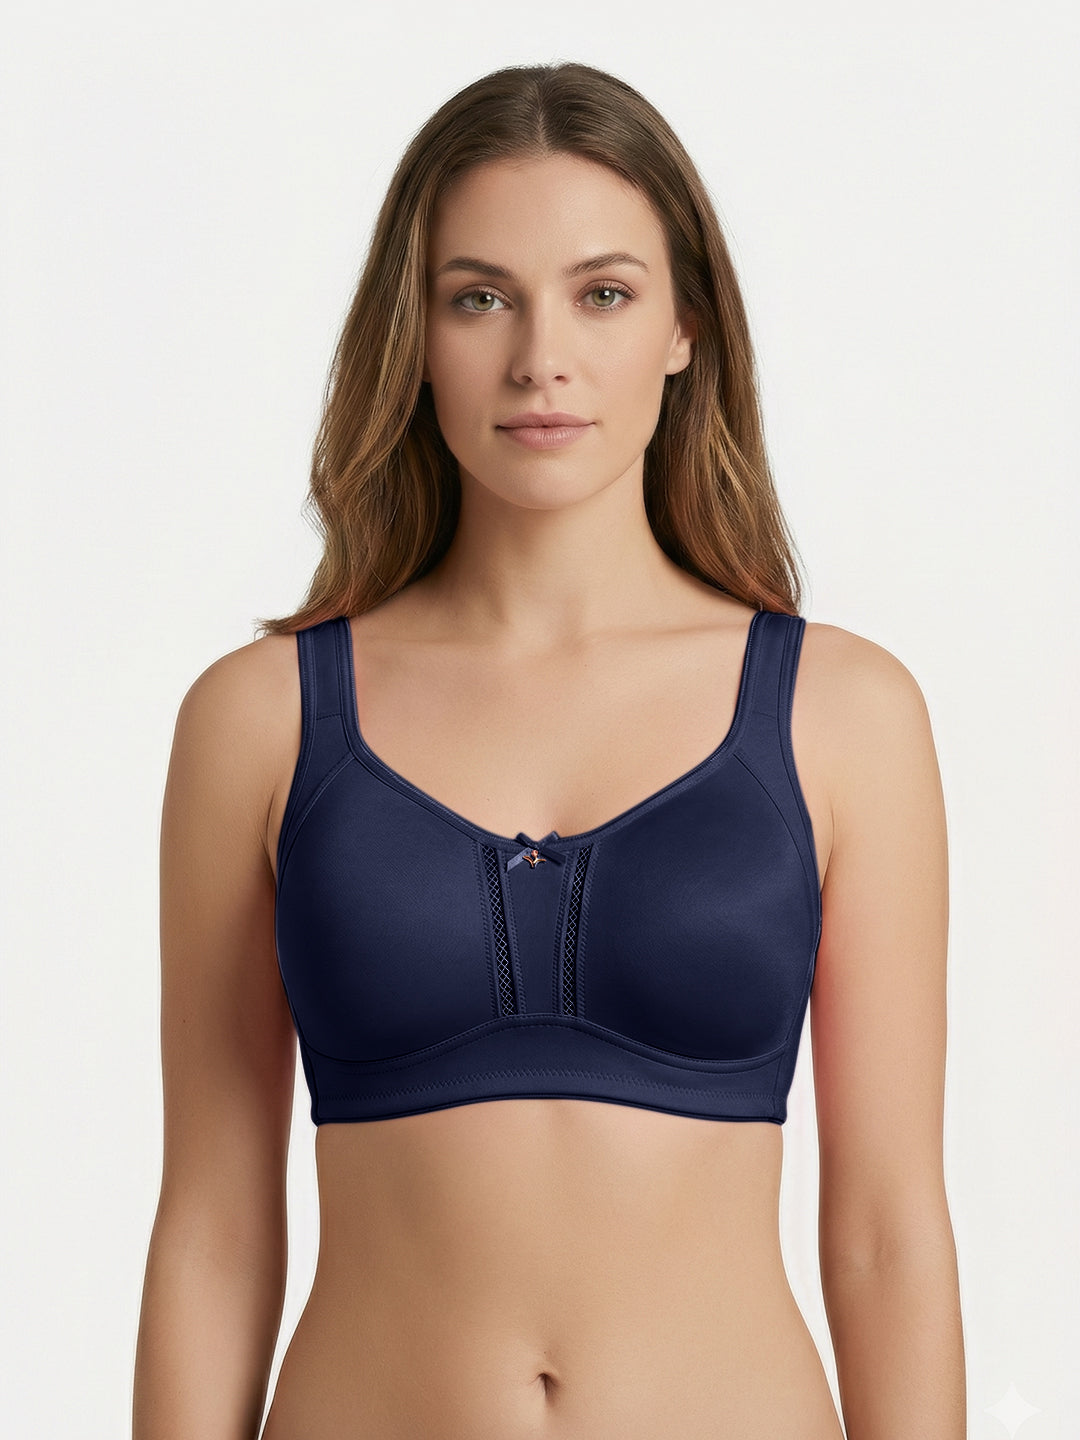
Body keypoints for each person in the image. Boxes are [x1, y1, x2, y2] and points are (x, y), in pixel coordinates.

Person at [132, 60, 966, 1440]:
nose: (540, 360)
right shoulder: (259, 719)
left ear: (687, 325)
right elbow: (213, 1229)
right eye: (480, 298)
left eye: (603, 294)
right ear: (414, 334)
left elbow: (887, 1231)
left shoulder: (844, 713)